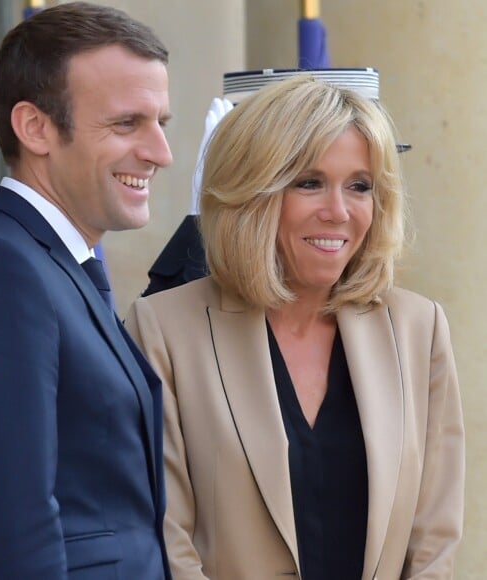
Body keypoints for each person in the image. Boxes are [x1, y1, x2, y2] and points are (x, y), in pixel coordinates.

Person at [125, 75, 465, 579]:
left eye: (360, 186)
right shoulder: (162, 330)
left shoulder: (419, 328)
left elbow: (434, 540)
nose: (338, 212)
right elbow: (166, 537)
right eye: (309, 182)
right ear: (252, 192)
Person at [0, 3, 173, 578]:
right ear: (35, 128)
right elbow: (7, 535)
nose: (160, 152)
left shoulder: (52, 267)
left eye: (161, 124)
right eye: (127, 123)